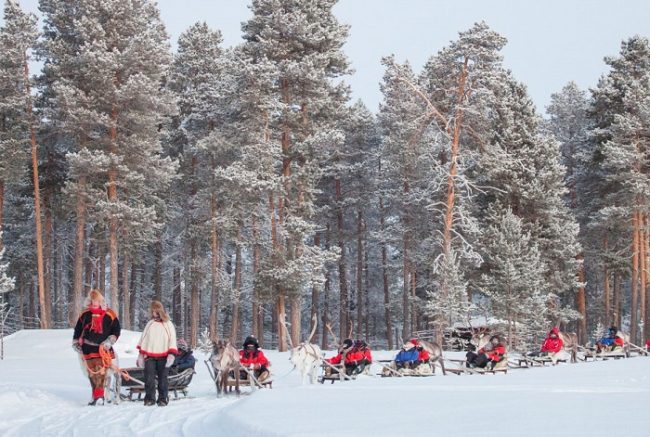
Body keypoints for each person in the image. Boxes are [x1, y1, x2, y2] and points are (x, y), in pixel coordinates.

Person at [72, 289, 121, 406]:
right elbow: (78, 329)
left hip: (102, 348)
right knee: (91, 373)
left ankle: (99, 397)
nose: (95, 303)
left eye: (97, 301)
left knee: (100, 372)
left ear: (100, 301)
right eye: (93, 301)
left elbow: (116, 329)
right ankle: (95, 395)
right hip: (87, 348)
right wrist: (75, 342)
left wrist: (110, 341)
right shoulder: (85, 314)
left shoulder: (109, 314)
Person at [136, 300, 177, 406]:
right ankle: (150, 399)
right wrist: (141, 355)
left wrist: (171, 354)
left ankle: (163, 398)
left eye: (155, 311)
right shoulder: (150, 324)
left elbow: (172, 339)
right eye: (152, 311)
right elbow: (144, 339)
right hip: (150, 356)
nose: (154, 313)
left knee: (163, 378)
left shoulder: (168, 324)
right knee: (149, 378)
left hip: (164, 356)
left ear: (160, 311)